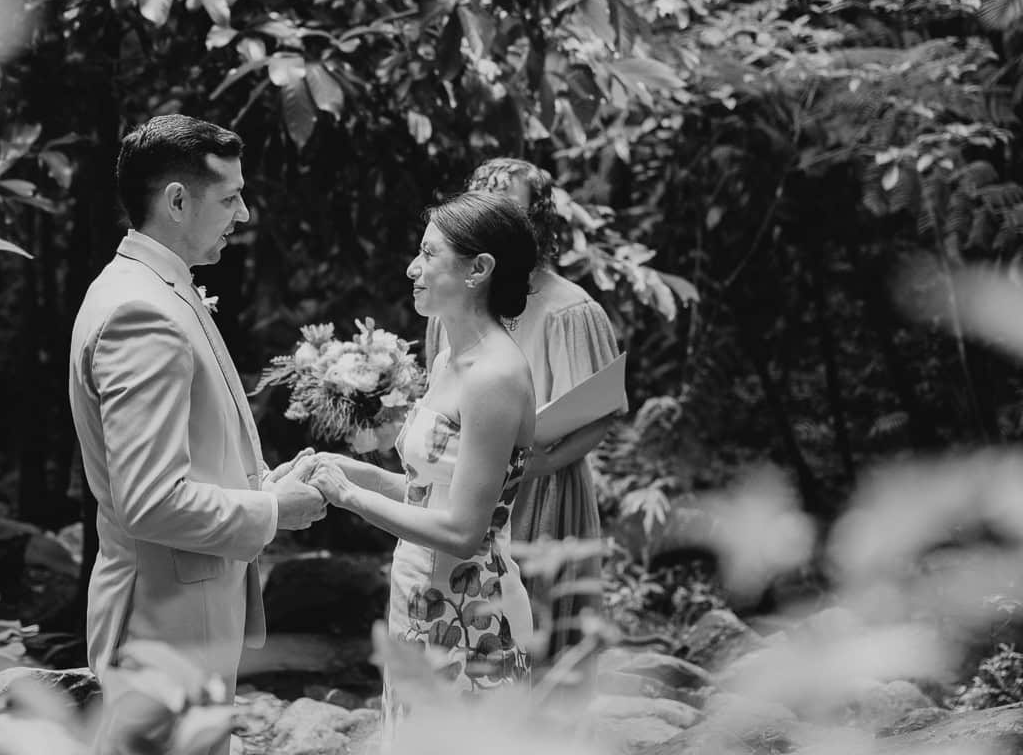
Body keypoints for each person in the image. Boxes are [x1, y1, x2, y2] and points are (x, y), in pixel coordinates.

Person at [68, 114, 327, 713]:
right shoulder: (141, 311)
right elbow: (150, 499)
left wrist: (262, 482)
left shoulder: (158, 286)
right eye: (230, 198)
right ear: (177, 201)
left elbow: (187, 452)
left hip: (184, 617)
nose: (244, 215)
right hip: (162, 628)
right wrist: (272, 511)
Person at [307, 191, 537, 721]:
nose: (413, 267)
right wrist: (344, 469)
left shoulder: (494, 376)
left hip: (470, 609)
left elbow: (462, 531)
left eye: (429, 254)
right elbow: (427, 493)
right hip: (418, 595)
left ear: (479, 268)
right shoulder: (447, 361)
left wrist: (351, 498)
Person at [426, 158, 623, 660]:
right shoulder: (447, 304)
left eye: (505, 205)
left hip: (544, 486)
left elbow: (600, 409)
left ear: (536, 218)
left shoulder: (570, 309)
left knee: (540, 622)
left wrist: (544, 462)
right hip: (465, 479)